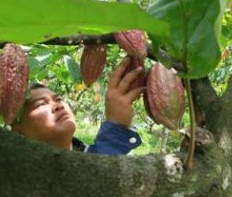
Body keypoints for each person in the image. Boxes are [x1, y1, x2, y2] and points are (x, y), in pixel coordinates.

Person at [11, 57, 144, 155]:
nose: (58, 106)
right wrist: (115, 126)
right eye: (41, 104)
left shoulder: (87, 153)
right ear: (18, 131)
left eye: (58, 99)